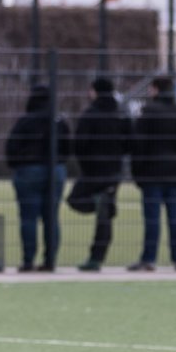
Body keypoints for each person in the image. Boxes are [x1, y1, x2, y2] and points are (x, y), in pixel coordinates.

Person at [129, 76, 176, 271]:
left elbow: (139, 145)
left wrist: (137, 173)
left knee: (152, 218)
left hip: (151, 171)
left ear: (155, 89)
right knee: (175, 216)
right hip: (175, 171)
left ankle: (149, 258)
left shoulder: (148, 113)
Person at [6, 84, 70, 272]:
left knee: (28, 218)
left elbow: (12, 147)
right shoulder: (59, 121)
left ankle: (28, 260)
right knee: (51, 217)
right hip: (55, 169)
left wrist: (18, 164)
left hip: (29, 170)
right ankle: (50, 260)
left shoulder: (25, 121)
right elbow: (67, 147)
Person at [72, 77, 132, 272]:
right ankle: (97, 257)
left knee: (75, 200)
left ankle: (95, 257)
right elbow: (129, 141)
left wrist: (85, 164)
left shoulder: (90, 114)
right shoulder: (120, 114)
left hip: (92, 170)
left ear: (95, 91)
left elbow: (80, 144)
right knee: (104, 218)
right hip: (113, 171)